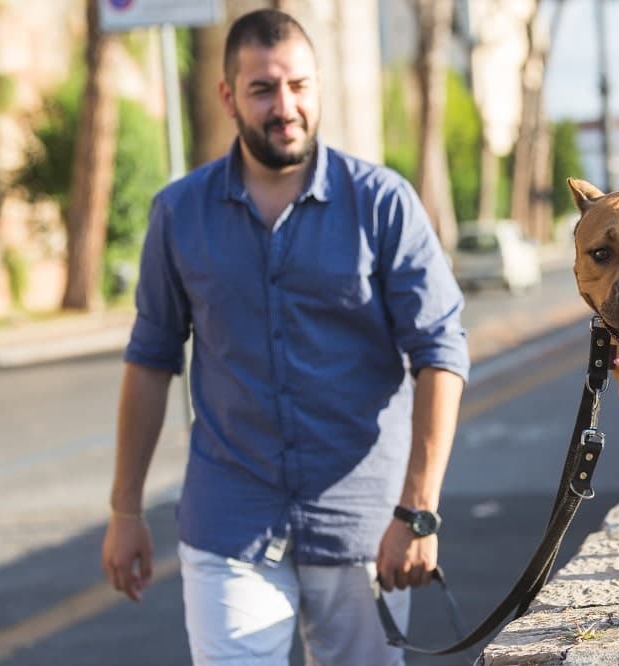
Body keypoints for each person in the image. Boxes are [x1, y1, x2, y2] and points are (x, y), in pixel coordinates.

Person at [100, 9, 469, 665]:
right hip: (229, 520)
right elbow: (151, 361)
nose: (285, 107)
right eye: (263, 89)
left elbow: (440, 353)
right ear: (228, 96)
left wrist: (418, 511)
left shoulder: (382, 203)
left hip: (362, 526)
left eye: (298, 85)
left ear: (317, 86)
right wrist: (125, 510)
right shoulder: (179, 213)